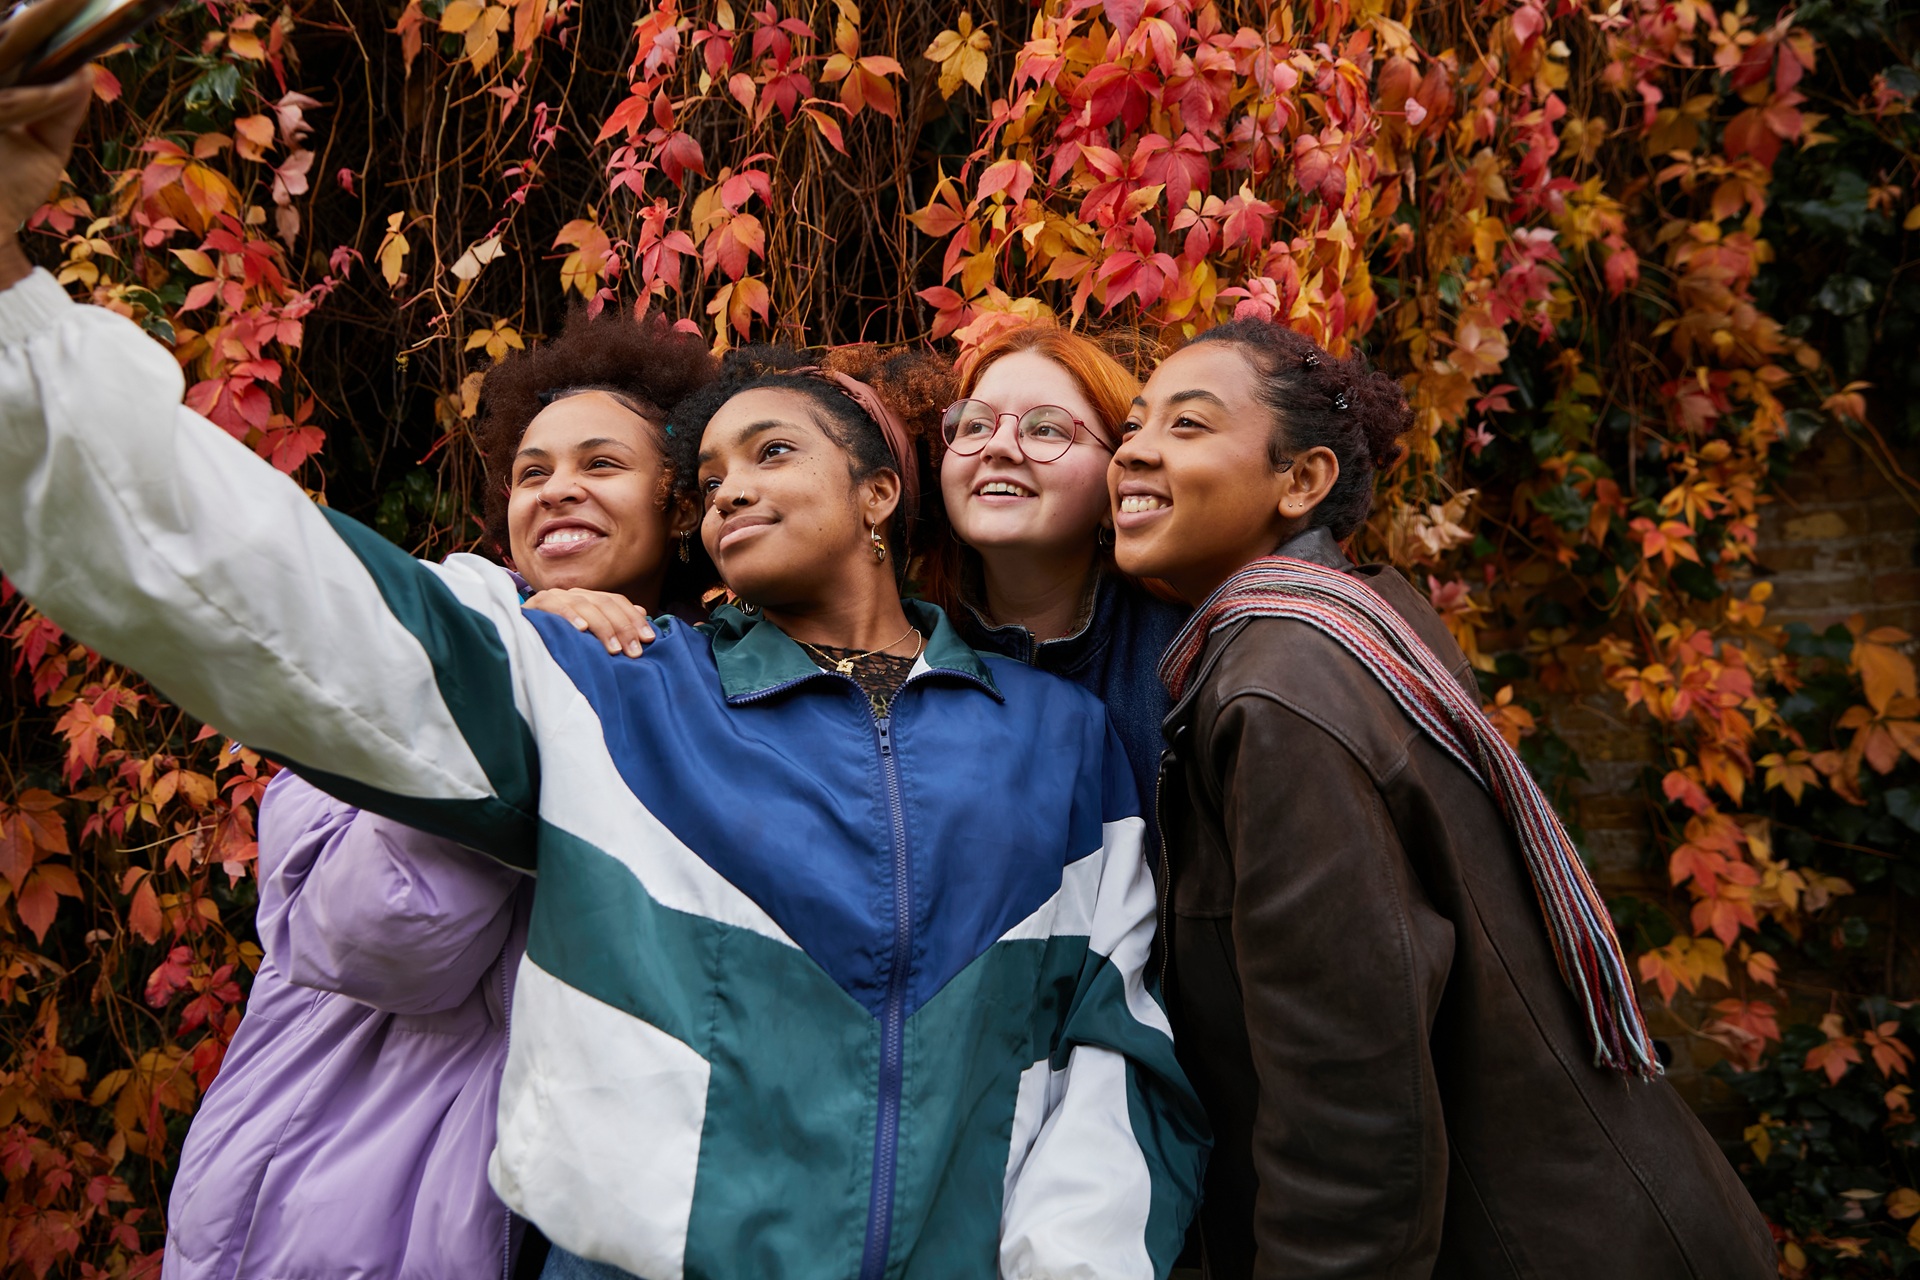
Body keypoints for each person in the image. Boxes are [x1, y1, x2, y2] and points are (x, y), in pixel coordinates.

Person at [0, 76, 1207, 1273]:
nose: (729, 484)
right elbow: (293, 602)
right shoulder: (617, 693)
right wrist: (19, 327)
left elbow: (1113, 1065)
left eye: (772, 450)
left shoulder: (1056, 737)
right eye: (712, 472)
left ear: (881, 493)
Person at [1109, 316, 1777, 1278]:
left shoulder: (1282, 685)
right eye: (1135, 425)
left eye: (1188, 426)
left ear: (1302, 483)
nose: (1133, 448)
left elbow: (1350, 1097)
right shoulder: (1359, 621)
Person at [163, 309, 716, 1280]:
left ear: (679, 502)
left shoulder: (714, 697)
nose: (558, 491)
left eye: (601, 463)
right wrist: (519, 669)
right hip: (327, 1202)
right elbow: (376, 941)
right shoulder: (404, 643)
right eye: (534, 471)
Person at [926, 323, 1188, 827]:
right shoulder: (905, 651)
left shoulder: (1187, 661)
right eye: (975, 425)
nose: (997, 447)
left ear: (1119, 477)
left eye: (1045, 428)